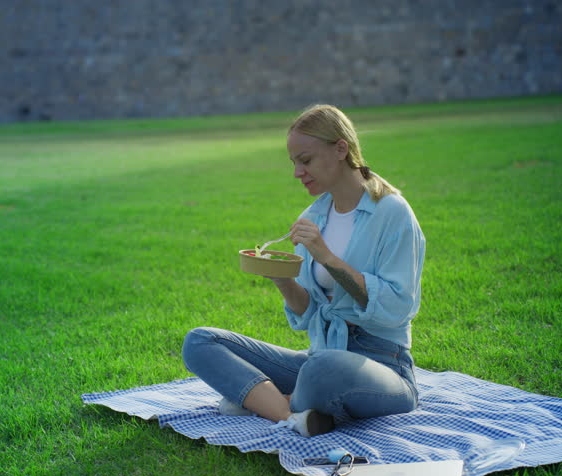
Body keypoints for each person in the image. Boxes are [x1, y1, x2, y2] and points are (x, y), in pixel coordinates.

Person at [182, 104, 425, 437]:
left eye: (306, 160)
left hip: (383, 366)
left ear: (341, 149)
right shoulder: (314, 216)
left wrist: (326, 257)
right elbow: (309, 313)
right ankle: (290, 413)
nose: (298, 172)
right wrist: (282, 280)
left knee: (322, 367)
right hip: (320, 356)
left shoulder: (392, 213)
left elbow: (396, 308)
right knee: (200, 342)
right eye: (294, 162)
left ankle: (262, 402)